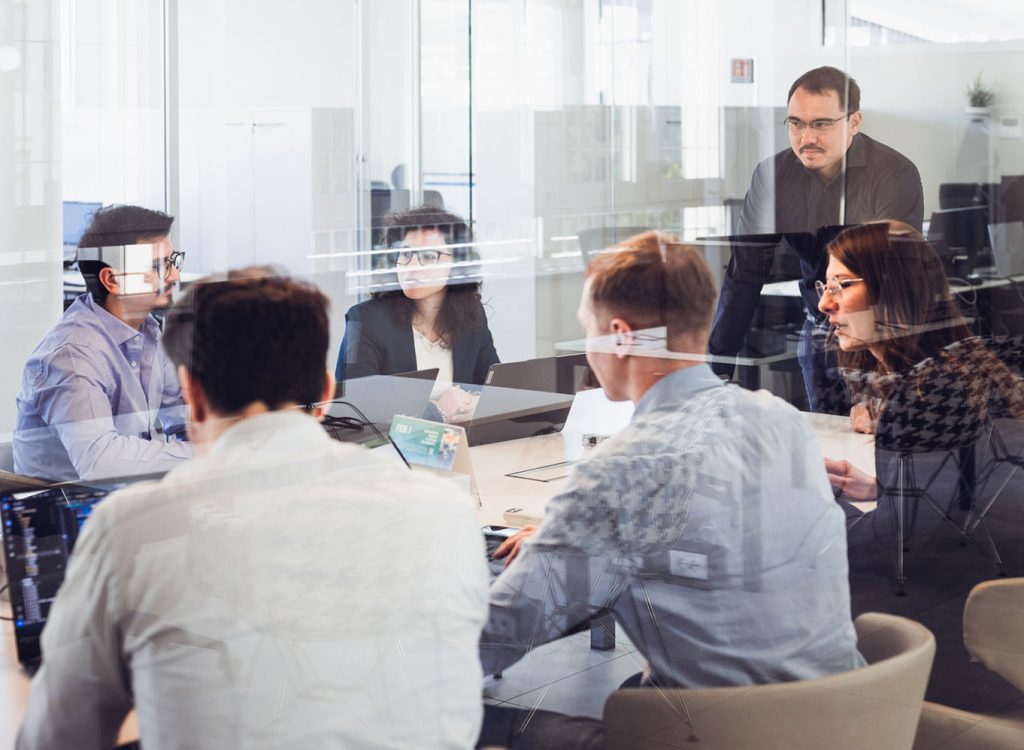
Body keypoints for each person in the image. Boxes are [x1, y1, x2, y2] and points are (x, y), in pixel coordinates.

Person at [17, 273, 489, 750]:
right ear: (326, 393)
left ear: (191, 395)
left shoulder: (132, 531)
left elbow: (55, 738)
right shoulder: (446, 514)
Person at [477, 231, 863, 749]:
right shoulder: (782, 421)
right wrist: (573, 534)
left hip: (734, 735)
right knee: (635, 689)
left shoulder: (624, 471)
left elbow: (500, 635)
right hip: (847, 718)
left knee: (470, 720)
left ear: (620, 337)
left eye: (588, 329)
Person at [708, 66, 924, 409]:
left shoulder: (893, 173)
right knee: (825, 436)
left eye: (821, 124)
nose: (806, 138)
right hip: (819, 328)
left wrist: (885, 379)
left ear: (854, 122)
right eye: (796, 123)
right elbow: (744, 274)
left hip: (878, 335)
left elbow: (892, 279)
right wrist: (717, 369)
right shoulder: (774, 175)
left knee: (880, 433)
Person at [815, 222, 1024, 501]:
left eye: (841, 285)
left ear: (894, 290)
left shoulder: (941, 387)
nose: (824, 303)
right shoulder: (945, 372)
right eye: (825, 286)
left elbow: (928, 500)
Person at [13, 204, 192, 481]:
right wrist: (205, 453)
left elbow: (185, 417)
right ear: (112, 280)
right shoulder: (72, 355)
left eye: (172, 262)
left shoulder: (148, 332)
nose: (174, 276)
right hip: (72, 504)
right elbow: (102, 463)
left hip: (129, 496)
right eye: (158, 266)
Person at [336, 206, 499, 423]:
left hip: (460, 441)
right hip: (390, 445)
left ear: (457, 265)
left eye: (428, 256)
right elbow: (353, 411)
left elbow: (494, 389)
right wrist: (438, 411)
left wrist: (478, 403)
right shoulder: (364, 320)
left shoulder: (472, 318)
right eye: (405, 254)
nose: (411, 266)